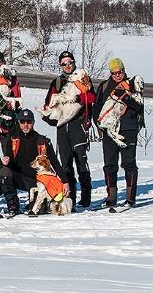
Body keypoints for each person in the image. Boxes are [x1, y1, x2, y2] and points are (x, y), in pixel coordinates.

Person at [40, 51, 95, 208]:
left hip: (78, 124)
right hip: (63, 126)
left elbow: (92, 98)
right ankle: (70, 196)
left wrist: (78, 98)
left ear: (74, 63)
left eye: (70, 62)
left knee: (81, 161)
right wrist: (48, 115)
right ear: (60, 66)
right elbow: (48, 103)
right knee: (65, 164)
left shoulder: (81, 77)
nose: (68, 66)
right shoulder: (57, 82)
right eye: (64, 64)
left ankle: (86, 197)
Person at [91, 58, 145, 208]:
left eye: (119, 72)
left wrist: (126, 97)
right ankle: (111, 197)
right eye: (113, 73)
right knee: (109, 165)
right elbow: (97, 108)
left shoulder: (132, 84)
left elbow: (139, 107)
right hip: (109, 130)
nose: (116, 75)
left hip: (128, 129)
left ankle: (130, 198)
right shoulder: (104, 86)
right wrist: (99, 124)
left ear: (123, 70)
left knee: (129, 163)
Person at [0, 109, 69, 216]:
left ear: (33, 123)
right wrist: (6, 160)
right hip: (19, 177)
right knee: (4, 172)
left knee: (39, 211)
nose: (25, 125)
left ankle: (37, 204)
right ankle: (13, 206)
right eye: (22, 122)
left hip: (37, 180)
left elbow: (54, 162)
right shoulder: (13, 139)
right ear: (18, 123)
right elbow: (9, 158)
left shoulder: (42, 141)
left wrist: (65, 182)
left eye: (28, 122)